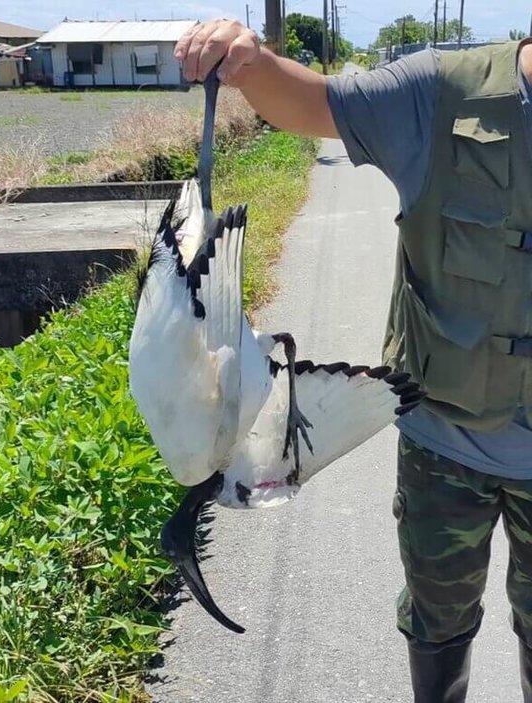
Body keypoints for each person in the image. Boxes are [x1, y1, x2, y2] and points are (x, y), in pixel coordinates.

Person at [174, 19, 532, 703]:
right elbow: (316, 104)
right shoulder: (443, 91)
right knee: (437, 628)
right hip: (445, 448)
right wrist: (251, 65)